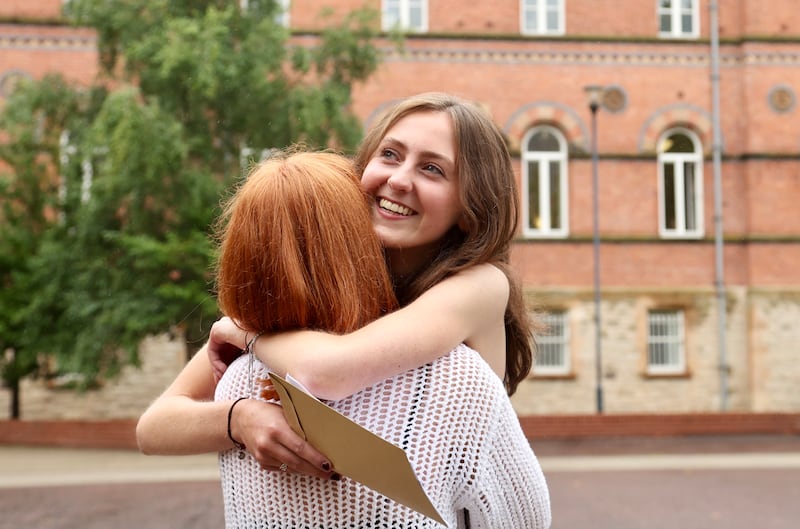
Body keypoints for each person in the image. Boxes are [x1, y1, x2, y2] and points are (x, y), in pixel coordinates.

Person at [137, 92, 551, 526]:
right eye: (390, 154)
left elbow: (327, 372)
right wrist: (238, 419)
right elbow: (155, 427)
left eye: (432, 169)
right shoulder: (328, 284)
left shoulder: (481, 285)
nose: (399, 180)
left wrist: (248, 335)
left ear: (470, 207)